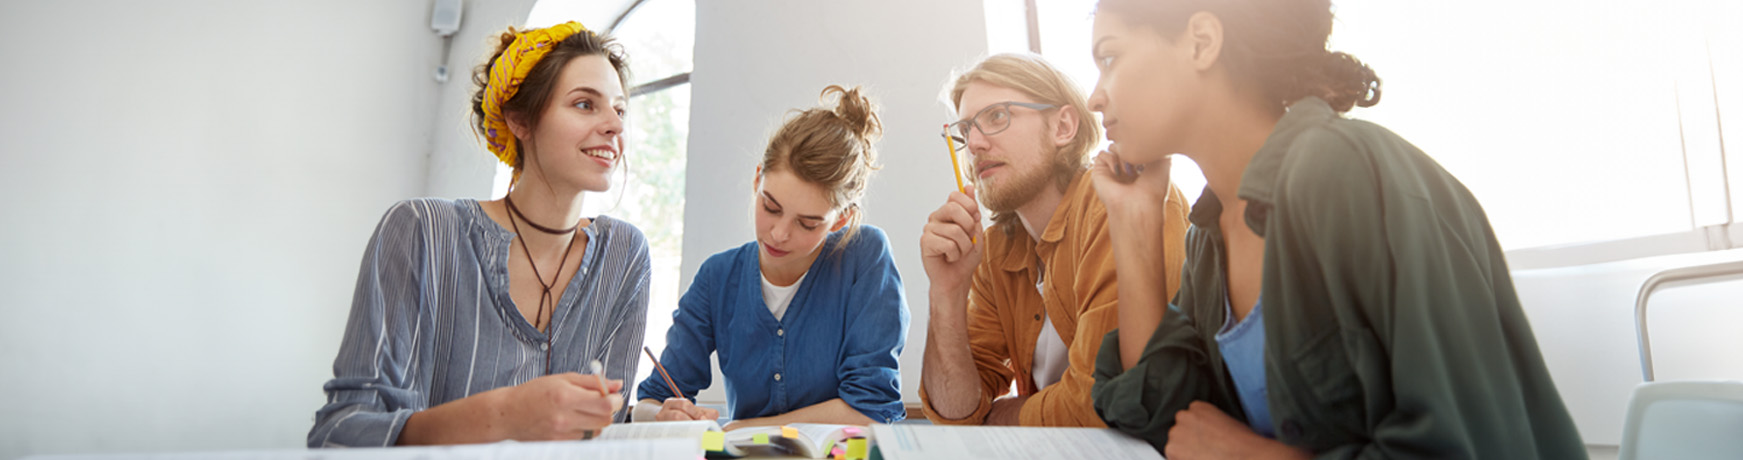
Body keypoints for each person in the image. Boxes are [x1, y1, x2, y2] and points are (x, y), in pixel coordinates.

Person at [1081, 1, 1588, 458]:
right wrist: (1133, 220)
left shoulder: (1341, 174)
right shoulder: (1210, 234)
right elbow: (1174, 423)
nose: (1094, 98)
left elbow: (1470, 447)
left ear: (1201, 42)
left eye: (1109, 58)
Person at [308, 22, 653, 446]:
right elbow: (340, 435)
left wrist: (647, 418)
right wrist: (504, 415)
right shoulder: (422, 231)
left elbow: (602, 434)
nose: (615, 127)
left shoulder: (625, 255)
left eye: (619, 110)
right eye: (585, 104)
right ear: (520, 121)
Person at [917, 53, 1191, 427]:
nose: (976, 143)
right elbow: (956, 410)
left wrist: (1006, 415)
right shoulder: (995, 249)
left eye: (997, 116)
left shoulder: (1122, 202)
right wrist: (945, 293)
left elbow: (1105, 402)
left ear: (1063, 126)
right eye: (965, 131)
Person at [633, 85, 908, 428]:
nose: (778, 233)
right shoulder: (717, 278)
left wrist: (740, 429)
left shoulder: (864, 256)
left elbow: (871, 411)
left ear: (840, 219)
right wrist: (662, 414)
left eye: (807, 224)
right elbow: (649, 401)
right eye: (770, 207)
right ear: (757, 180)